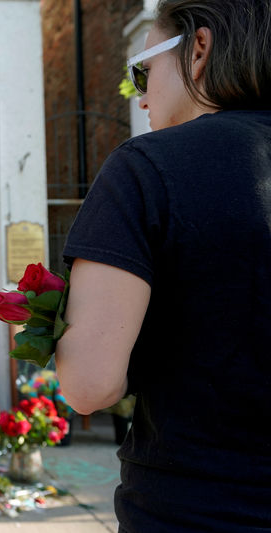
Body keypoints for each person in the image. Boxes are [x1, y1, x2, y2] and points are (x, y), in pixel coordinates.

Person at [54, 1, 271, 531]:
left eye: (143, 71)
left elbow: (89, 386)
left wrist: (54, 326)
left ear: (199, 49)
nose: (142, 96)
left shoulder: (146, 168)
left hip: (200, 508)